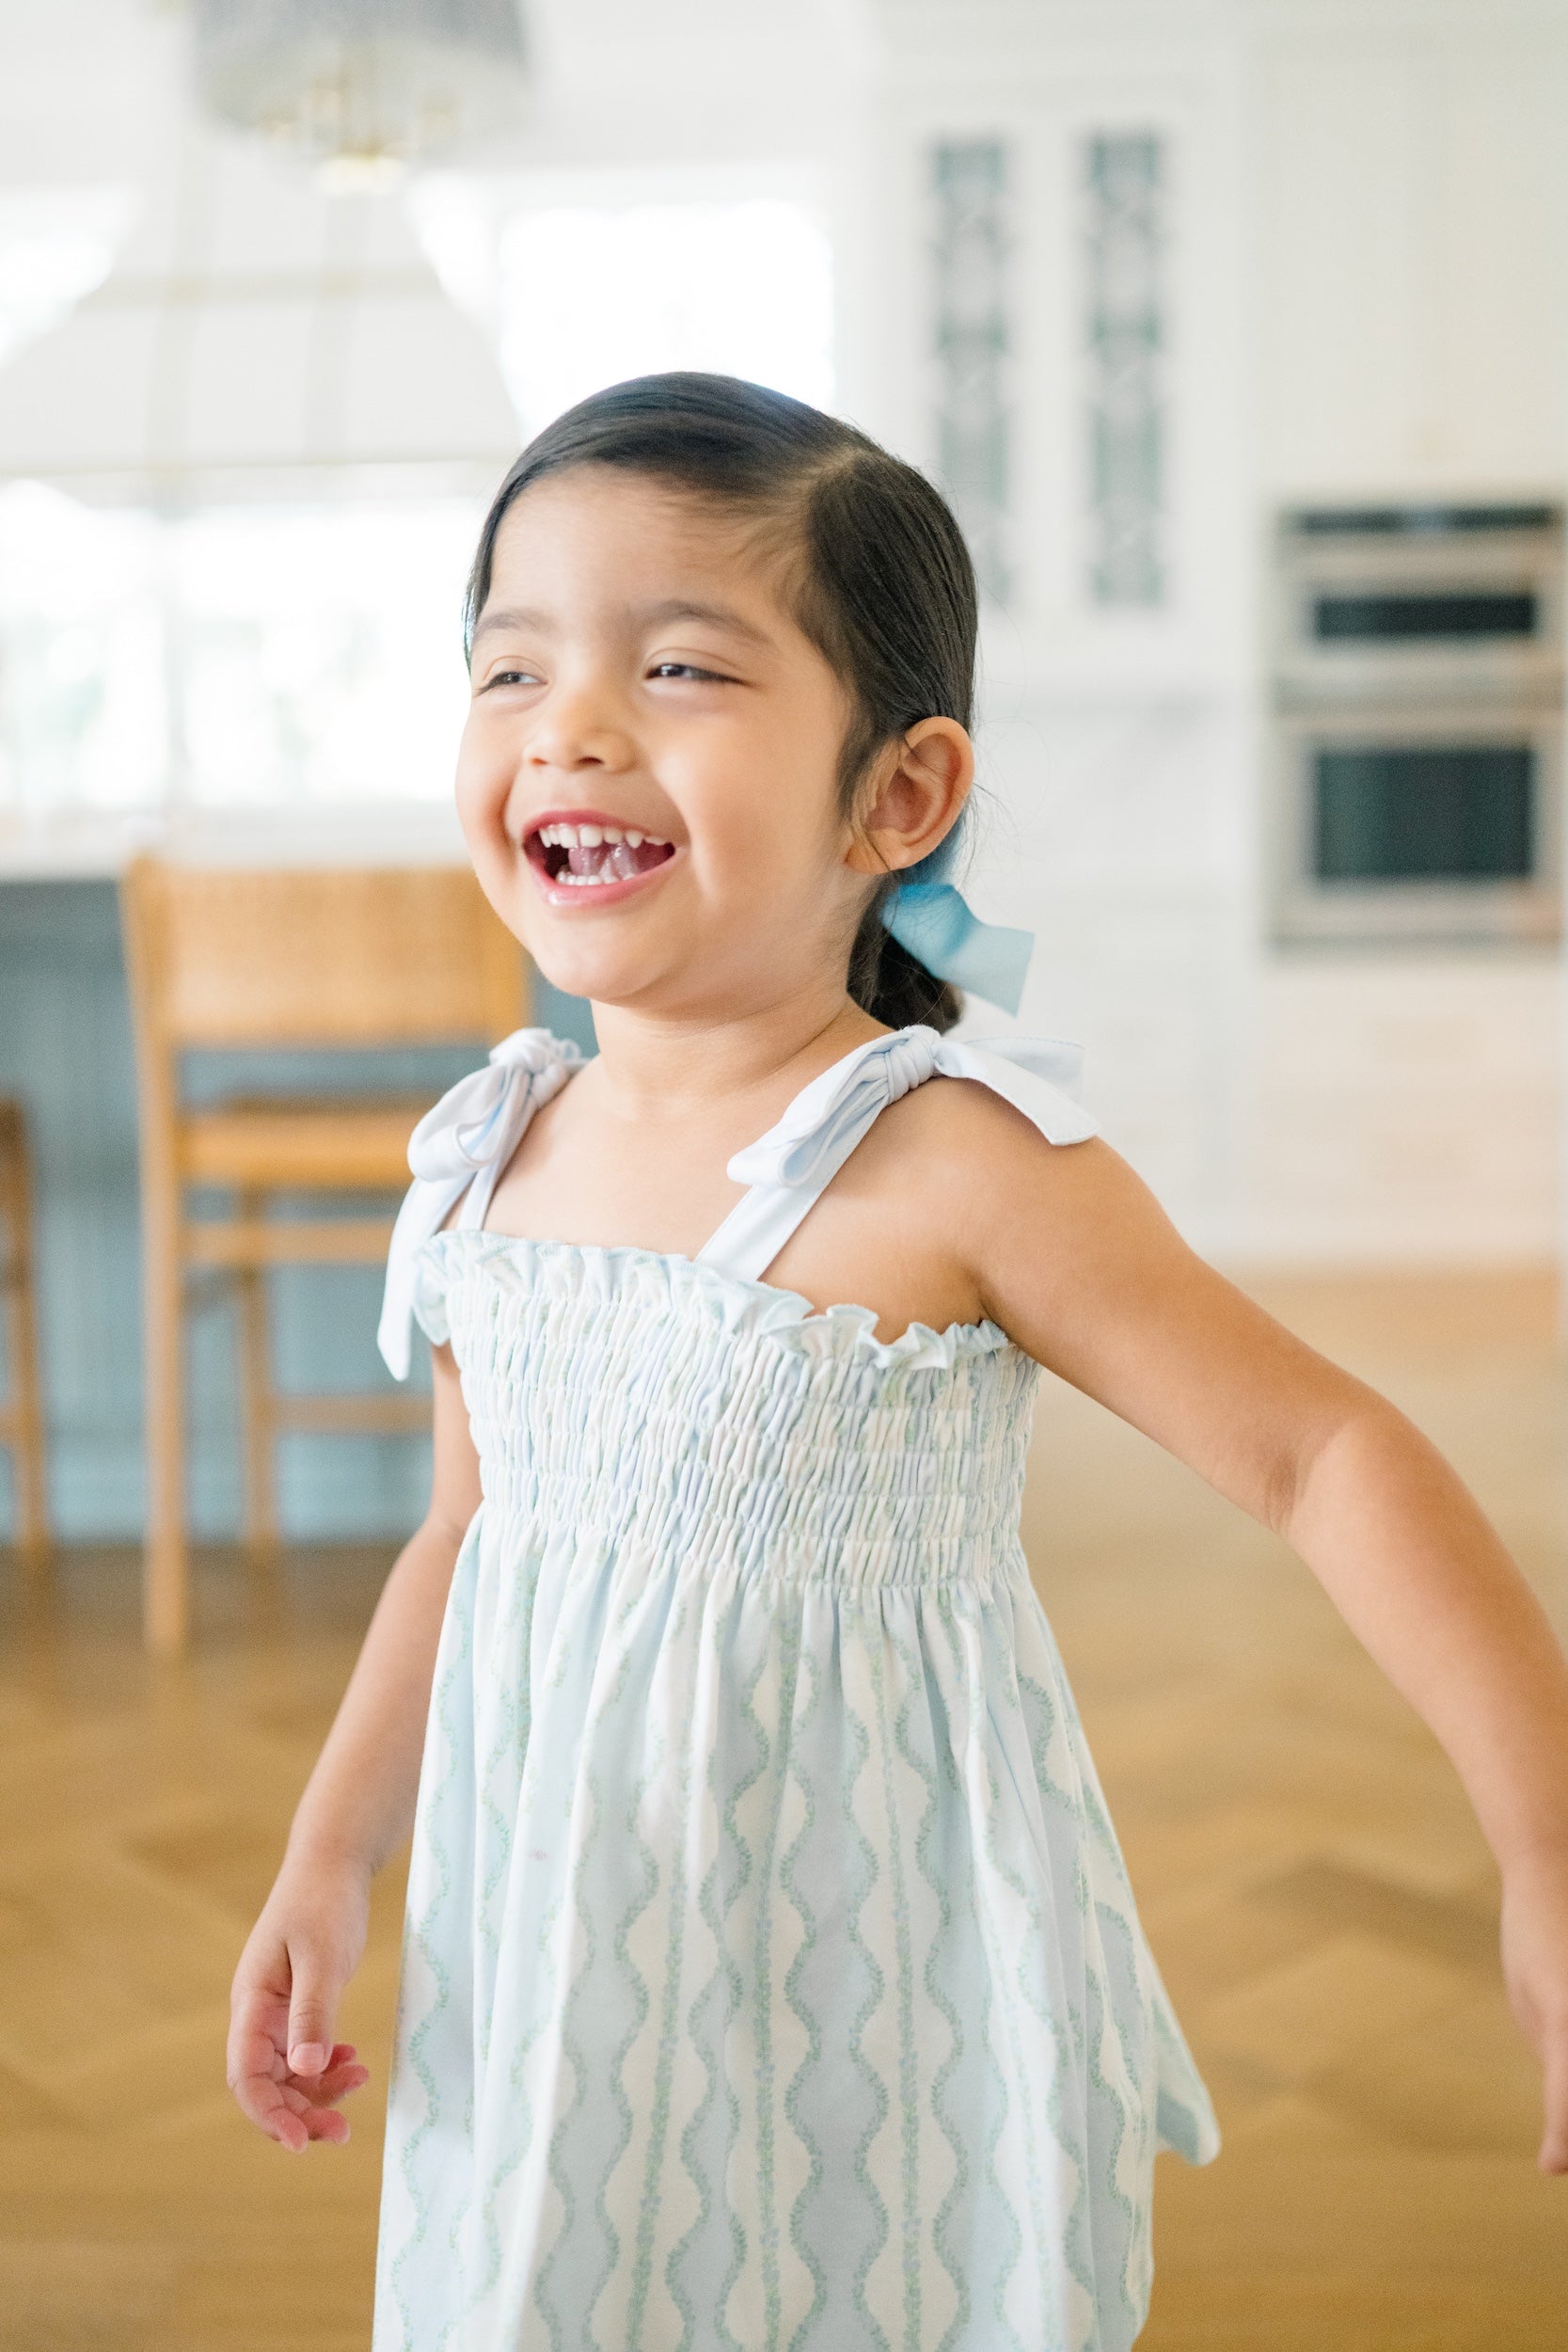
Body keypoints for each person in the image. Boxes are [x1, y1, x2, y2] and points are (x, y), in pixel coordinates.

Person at [228, 373, 1568, 2352]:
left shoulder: (952, 1160)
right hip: (556, 1967)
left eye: (678, 666)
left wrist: (1544, 1847)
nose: (569, 724)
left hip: (872, 1995)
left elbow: (1322, 1455)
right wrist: (331, 1856)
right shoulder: (489, 1154)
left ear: (901, 793)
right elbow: (461, 1538)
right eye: (510, 668)